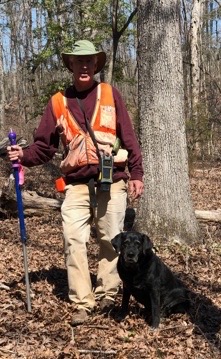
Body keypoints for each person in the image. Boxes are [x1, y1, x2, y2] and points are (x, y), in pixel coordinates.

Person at [7, 39, 144, 325]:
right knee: (73, 239)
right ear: (70, 65)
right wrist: (24, 155)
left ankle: (107, 295)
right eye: (78, 61)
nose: (84, 66)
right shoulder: (58, 102)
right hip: (76, 184)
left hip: (112, 180)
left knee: (111, 240)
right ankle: (83, 301)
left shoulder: (110, 93)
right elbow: (44, 146)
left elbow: (128, 137)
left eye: (89, 61)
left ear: (96, 65)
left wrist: (137, 173)